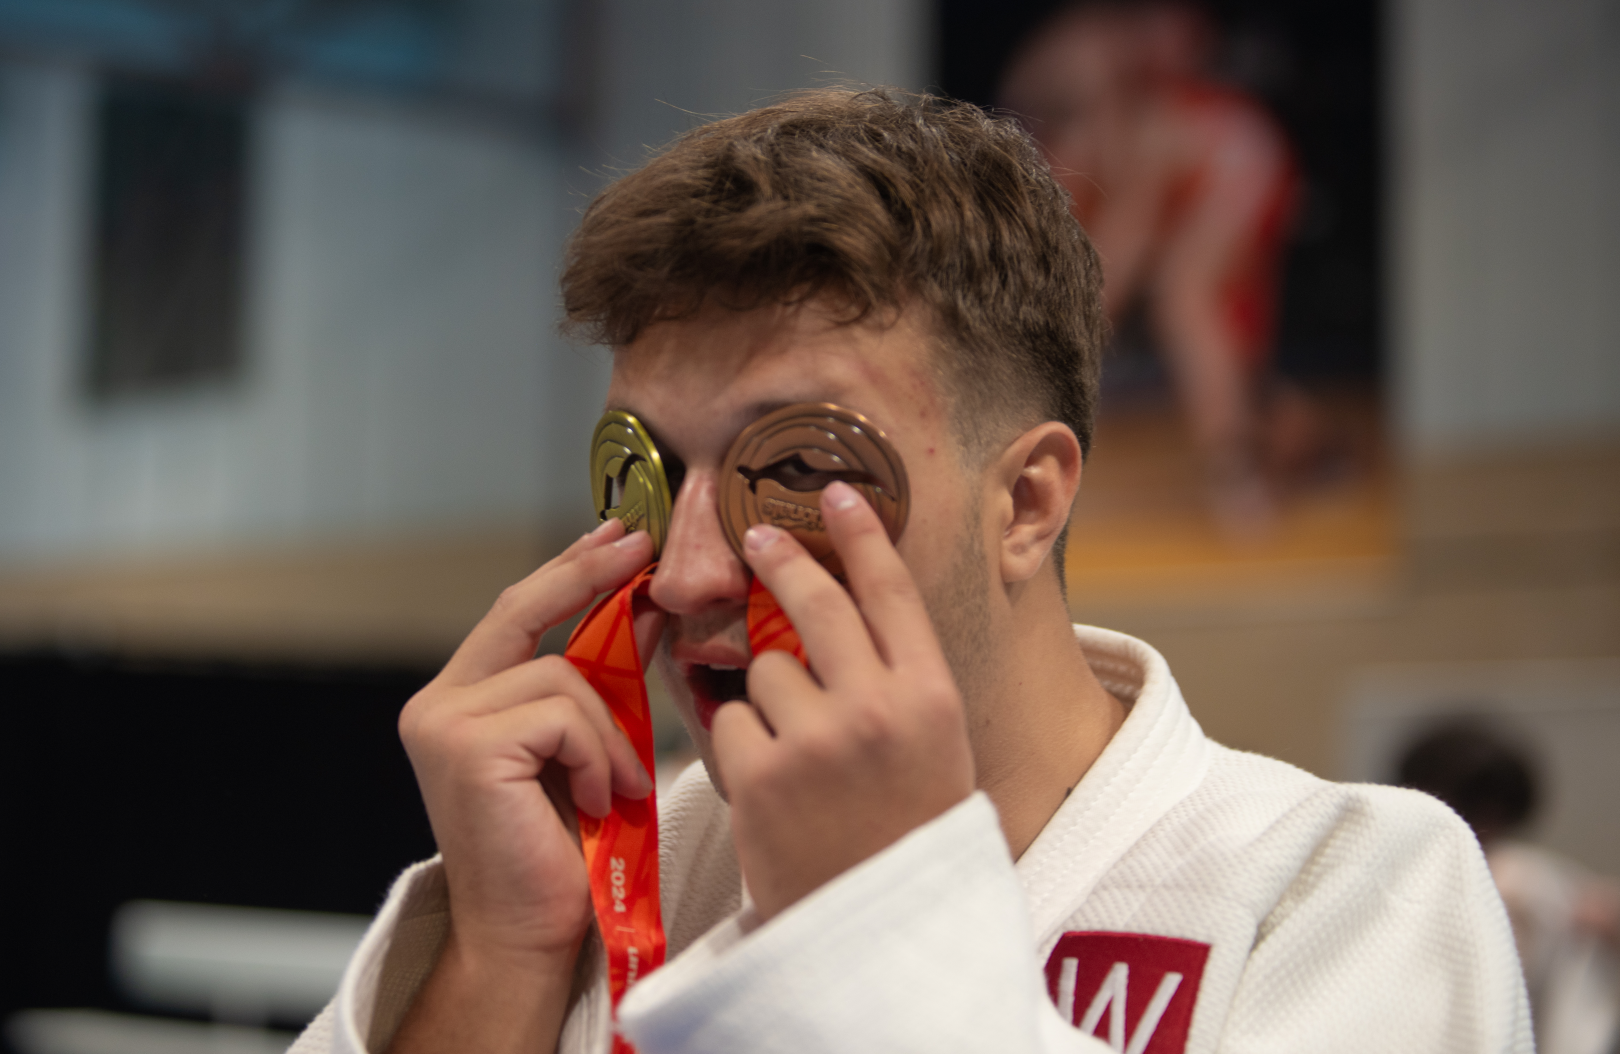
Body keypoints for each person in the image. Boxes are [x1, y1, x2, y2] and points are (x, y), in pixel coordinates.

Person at [290, 89, 1528, 1054]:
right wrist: (504, 956)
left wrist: (874, 924)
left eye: (794, 468)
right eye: (649, 475)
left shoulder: (1342, 887)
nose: (686, 574)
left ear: (1026, 502)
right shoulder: (610, 872)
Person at [999, 0, 1319, 535]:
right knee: (1220, 337)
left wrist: (1062, 345)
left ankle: (1237, 475)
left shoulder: (1124, 135)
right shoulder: (1066, 121)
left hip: (1236, 157)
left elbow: (1117, 263)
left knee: (1185, 299)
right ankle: (1302, 445)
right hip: (1203, 167)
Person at [1400, 722, 1620, 1054]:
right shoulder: (1404, 877)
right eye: (1478, 813)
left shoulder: (1523, 875)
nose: (1488, 831)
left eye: (1499, 820)